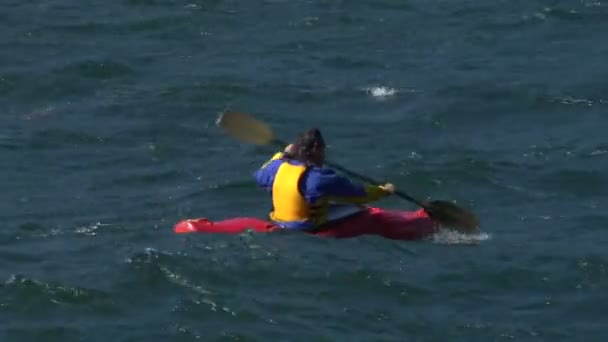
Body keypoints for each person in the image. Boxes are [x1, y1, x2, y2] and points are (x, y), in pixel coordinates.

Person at [253, 128, 395, 230]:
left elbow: (259, 174)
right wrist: (384, 191)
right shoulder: (320, 178)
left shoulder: (276, 167)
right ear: (317, 151)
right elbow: (358, 194)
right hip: (306, 228)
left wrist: (283, 153)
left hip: (276, 221)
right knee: (359, 208)